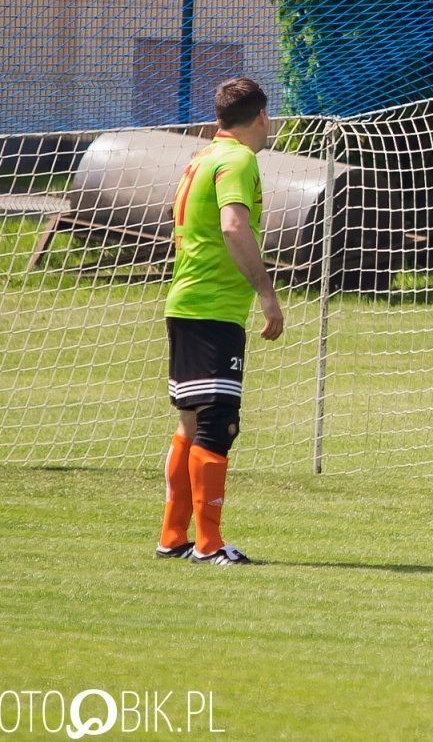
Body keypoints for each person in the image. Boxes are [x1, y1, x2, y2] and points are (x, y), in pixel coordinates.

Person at [156, 77, 284, 565]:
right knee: (218, 424)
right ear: (261, 116)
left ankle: (173, 537)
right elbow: (233, 225)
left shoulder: (203, 157)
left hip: (188, 303)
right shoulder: (238, 159)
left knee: (191, 423)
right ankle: (208, 545)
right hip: (212, 309)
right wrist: (267, 293)